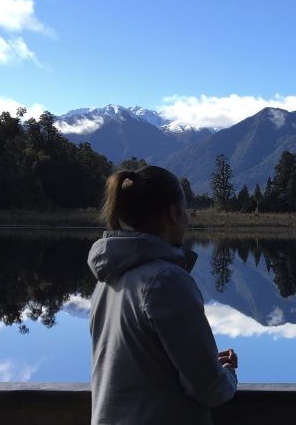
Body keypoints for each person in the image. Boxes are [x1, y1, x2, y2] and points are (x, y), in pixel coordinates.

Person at [88, 166, 238, 425]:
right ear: (173, 213)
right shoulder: (166, 280)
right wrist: (228, 374)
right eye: (185, 210)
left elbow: (143, 364)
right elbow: (210, 389)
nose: (188, 219)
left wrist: (199, 360)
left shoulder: (108, 279)